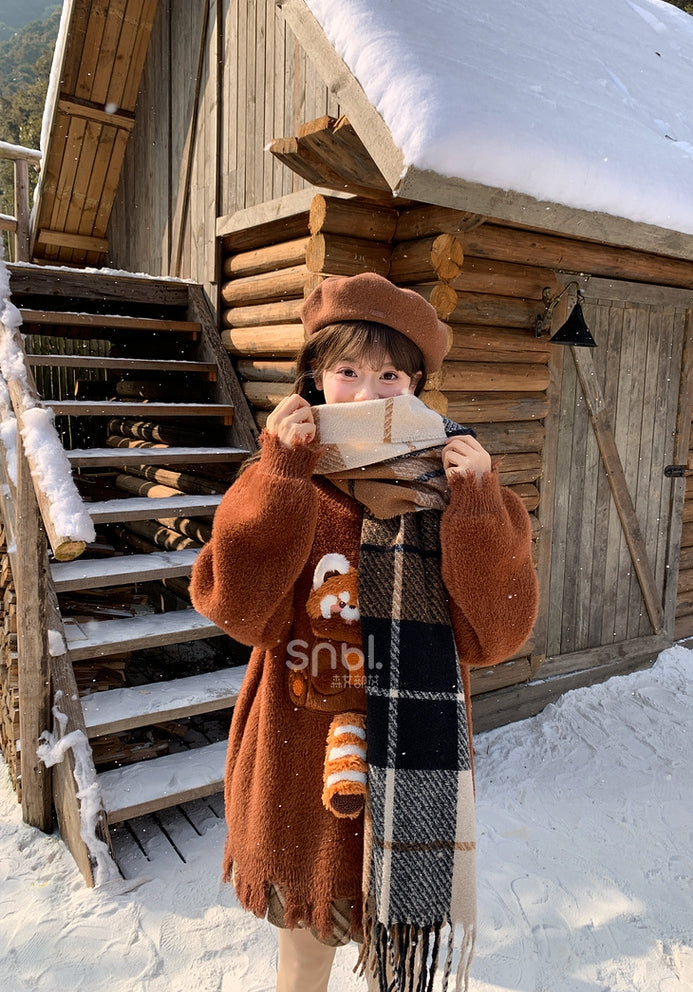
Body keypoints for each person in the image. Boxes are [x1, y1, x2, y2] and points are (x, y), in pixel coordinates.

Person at [190, 272, 539, 992]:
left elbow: (496, 636)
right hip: (296, 763)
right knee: (304, 961)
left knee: (397, 966)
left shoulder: (457, 487)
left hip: (413, 763)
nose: (365, 394)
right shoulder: (285, 475)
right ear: (316, 377)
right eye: (346, 371)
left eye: (389, 376)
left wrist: (478, 508)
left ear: (415, 387)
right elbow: (237, 609)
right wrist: (279, 476)